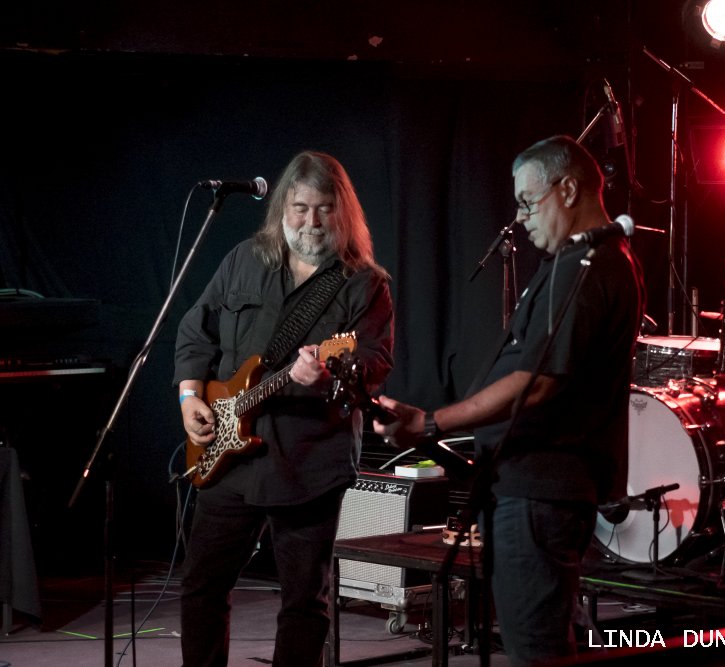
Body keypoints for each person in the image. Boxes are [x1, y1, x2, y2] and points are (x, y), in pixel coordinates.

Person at [374, 136, 644, 666]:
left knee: (536, 650)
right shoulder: (578, 262)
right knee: (537, 641)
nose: (520, 218)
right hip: (532, 488)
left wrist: (431, 422)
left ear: (569, 189)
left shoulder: (589, 266)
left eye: (527, 202)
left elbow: (536, 381)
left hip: (540, 492)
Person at [174, 151, 394, 667]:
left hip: (308, 462)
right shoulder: (244, 259)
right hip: (229, 461)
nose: (311, 221)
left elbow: (374, 362)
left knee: (303, 603)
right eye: (300, 208)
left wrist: (328, 375)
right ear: (282, 208)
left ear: (342, 212)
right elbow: (195, 330)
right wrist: (188, 396)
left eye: (323, 209)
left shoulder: (364, 283)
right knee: (201, 587)